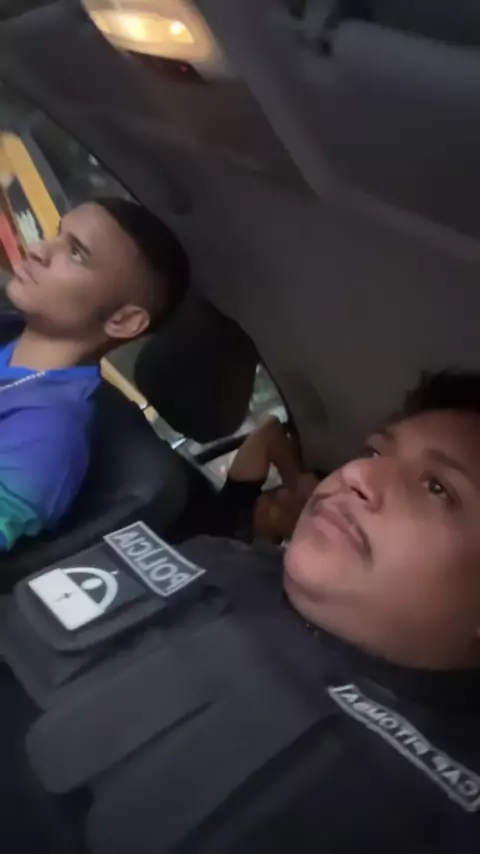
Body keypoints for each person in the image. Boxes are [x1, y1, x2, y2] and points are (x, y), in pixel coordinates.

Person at [1, 369, 480, 853]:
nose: (356, 474)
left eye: (437, 488)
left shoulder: (435, 819)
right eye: (374, 452)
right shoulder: (217, 557)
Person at [0, 198, 188, 550]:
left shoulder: (45, 436)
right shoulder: (8, 332)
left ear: (123, 321)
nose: (38, 250)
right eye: (57, 234)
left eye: (76, 254)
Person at [217, 414, 318, 542]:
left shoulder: (233, 507)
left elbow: (269, 430)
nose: (282, 494)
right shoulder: (235, 507)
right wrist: (297, 482)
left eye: (303, 504)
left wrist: (297, 481)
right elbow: (269, 430)